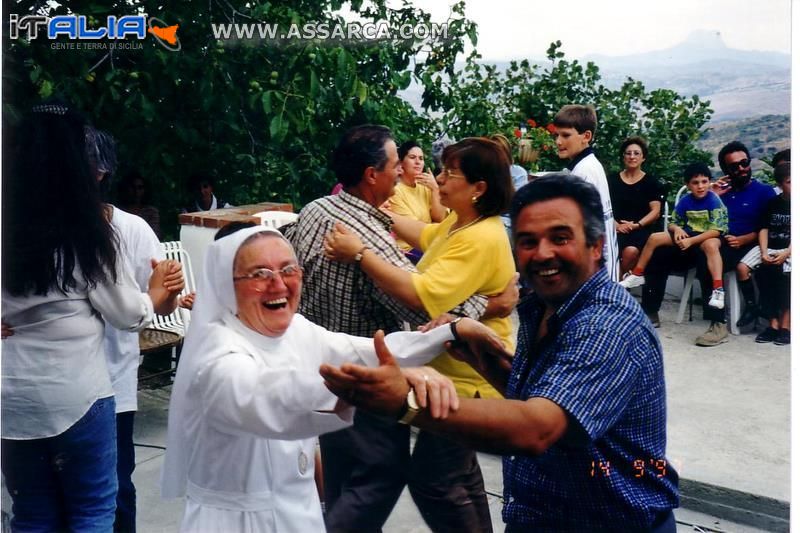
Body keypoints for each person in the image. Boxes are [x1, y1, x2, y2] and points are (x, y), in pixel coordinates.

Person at [321, 173, 680, 532]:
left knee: (436, 479)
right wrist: (491, 367)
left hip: (608, 523)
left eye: (560, 238)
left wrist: (405, 403)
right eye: (527, 241)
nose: (542, 253)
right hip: (545, 514)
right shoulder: (545, 304)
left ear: (597, 246)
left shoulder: (605, 326)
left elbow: (537, 429)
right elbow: (556, 402)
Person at [160, 226, 508, 532]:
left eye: (288, 269)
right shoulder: (217, 354)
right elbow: (271, 396)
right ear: (225, 286)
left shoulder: (295, 329)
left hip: (300, 516)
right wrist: (392, 381)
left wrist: (452, 331)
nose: (278, 284)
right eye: (259, 273)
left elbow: (369, 350)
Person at [286, 125, 516, 532]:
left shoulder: (317, 208)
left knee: (432, 476)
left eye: (447, 174)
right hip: (374, 374)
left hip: (437, 376)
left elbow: (423, 292)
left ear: (478, 188)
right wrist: (491, 303)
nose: (431, 178)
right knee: (401, 475)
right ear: (372, 174)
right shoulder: (447, 227)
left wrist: (365, 242)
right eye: (397, 164)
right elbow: (420, 304)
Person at [1, 101, 174, 531]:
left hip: (10, 400)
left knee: (32, 514)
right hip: (76, 396)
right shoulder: (84, 229)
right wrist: (154, 294)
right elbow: (126, 314)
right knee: (93, 511)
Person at [86, 126, 184, 532]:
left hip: (112, 386)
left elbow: (165, 296)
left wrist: (168, 291)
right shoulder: (32, 226)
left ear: (100, 172)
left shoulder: (130, 230)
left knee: (114, 491)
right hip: (51, 389)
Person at [690, 141, 776, 346]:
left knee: (706, 260)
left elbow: (773, 228)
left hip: (751, 244)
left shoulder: (764, 192)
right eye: (734, 166)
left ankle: (717, 322)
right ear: (725, 170)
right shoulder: (722, 191)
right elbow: (694, 218)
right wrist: (711, 195)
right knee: (703, 252)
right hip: (721, 241)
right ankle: (717, 320)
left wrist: (746, 238)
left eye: (744, 163)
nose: (741, 169)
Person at [620, 163, 728, 311]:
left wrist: (691, 240)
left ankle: (718, 289)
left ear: (710, 182)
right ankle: (638, 273)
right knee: (655, 238)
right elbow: (673, 222)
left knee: (711, 245)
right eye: (695, 183)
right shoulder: (686, 200)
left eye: (704, 182)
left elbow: (716, 230)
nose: (700, 186)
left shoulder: (714, 200)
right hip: (688, 234)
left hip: (708, 235)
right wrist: (677, 229)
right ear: (688, 185)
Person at [553, 104, 619, 280]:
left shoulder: (585, 171)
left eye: (566, 135)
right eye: (557, 135)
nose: (558, 141)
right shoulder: (587, 165)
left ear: (586, 136)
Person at [737, 162, 791, 343]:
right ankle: (769, 321)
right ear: (780, 184)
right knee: (743, 267)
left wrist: (786, 253)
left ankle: (785, 325)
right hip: (769, 245)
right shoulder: (773, 203)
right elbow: (763, 229)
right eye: (790, 182)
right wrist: (763, 252)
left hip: (790, 248)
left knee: (786, 277)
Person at [608, 136, 663, 277]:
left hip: (640, 229)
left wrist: (636, 225)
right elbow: (603, 205)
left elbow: (655, 211)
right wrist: (616, 225)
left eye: (636, 153)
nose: (632, 156)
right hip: (615, 228)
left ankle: (616, 285)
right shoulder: (611, 180)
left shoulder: (651, 182)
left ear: (643, 158)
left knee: (630, 251)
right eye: (628, 153)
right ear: (623, 157)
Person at [387, 140, 447, 262]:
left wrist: (435, 189)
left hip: (430, 243)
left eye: (421, 158)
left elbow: (440, 218)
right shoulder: (395, 191)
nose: (418, 162)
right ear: (401, 162)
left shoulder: (425, 187)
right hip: (408, 250)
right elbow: (414, 230)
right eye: (412, 157)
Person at [117, 171, 162, 238]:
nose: (136, 191)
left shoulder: (151, 212)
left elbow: (154, 235)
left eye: (140, 187)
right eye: (133, 187)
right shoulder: (118, 211)